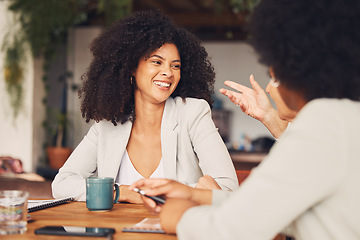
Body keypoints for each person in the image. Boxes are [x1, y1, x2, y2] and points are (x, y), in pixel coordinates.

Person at [130, 0, 360, 239]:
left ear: (300, 72)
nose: (270, 88)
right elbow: (270, 204)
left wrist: (179, 216)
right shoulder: (346, 119)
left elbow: (231, 231)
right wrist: (196, 195)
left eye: (275, 78)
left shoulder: (325, 124)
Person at [52, 10, 238, 203]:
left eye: (175, 66)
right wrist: (121, 192)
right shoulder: (107, 127)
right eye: (157, 62)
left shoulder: (193, 113)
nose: (167, 72)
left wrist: (167, 193)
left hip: (174, 231)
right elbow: (62, 184)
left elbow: (228, 189)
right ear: (132, 67)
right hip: (118, 232)